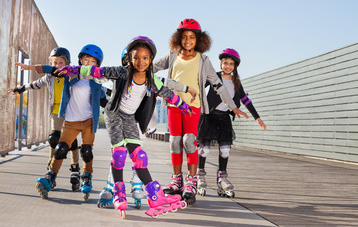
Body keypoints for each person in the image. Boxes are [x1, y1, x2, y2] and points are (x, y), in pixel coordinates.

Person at [58, 36, 192, 218]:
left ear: (151, 59)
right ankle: (119, 193)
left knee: (139, 156)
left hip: (129, 118)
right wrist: (73, 69)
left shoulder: (152, 79)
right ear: (130, 58)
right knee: (119, 155)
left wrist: (184, 106)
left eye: (145, 58)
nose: (141, 62)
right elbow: (97, 71)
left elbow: (168, 94)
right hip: (113, 115)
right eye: (136, 57)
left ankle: (155, 196)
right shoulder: (121, 72)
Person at [153, 18, 248, 205]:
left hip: (193, 106)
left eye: (192, 37)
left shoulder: (203, 60)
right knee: (174, 142)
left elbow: (219, 86)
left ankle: (191, 182)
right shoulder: (172, 56)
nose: (188, 40)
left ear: (199, 40)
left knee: (189, 141)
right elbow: (150, 67)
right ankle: (176, 180)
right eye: (184, 37)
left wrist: (233, 107)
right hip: (173, 104)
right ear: (178, 38)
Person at [16, 44, 108, 201]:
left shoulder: (96, 81)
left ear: (97, 65)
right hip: (71, 120)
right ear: (80, 60)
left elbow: (105, 98)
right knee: (60, 148)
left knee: (87, 151)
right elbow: (51, 70)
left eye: (92, 61)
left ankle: (87, 177)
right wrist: (30, 67)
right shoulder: (70, 73)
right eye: (85, 60)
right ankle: (50, 176)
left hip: (88, 121)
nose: (87, 63)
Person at [196, 48, 266, 198]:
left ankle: (222, 177)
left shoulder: (236, 82)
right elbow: (198, 87)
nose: (228, 66)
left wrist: (257, 117)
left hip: (224, 119)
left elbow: (245, 100)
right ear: (220, 64)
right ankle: (200, 176)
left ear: (235, 66)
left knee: (225, 150)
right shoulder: (213, 77)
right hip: (209, 116)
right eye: (225, 63)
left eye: (231, 64)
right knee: (204, 149)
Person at [9, 47, 81, 191]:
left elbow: (87, 86)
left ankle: (75, 169)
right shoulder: (49, 77)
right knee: (53, 139)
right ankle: (51, 170)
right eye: (55, 63)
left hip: (70, 112)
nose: (57, 66)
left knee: (71, 141)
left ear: (67, 63)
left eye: (61, 63)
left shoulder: (71, 75)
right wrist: (21, 89)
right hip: (55, 112)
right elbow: (36, 84)